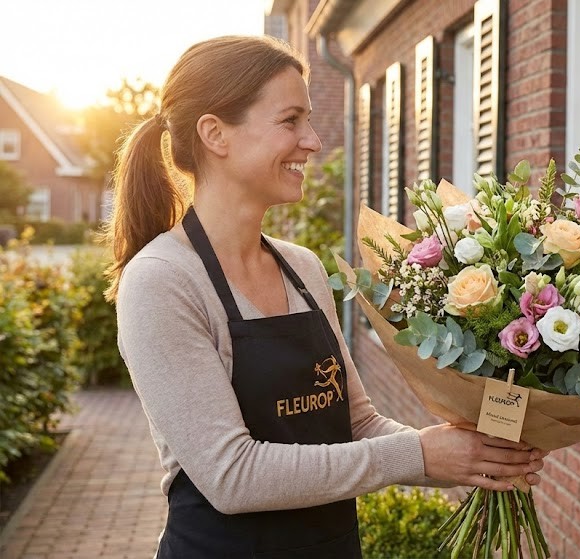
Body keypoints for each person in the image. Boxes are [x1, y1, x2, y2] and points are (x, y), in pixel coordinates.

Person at [106, 35, 545, 558]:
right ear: (215, 133)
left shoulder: (301, 268)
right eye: (290, 121)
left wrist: (471, 455)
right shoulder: (163, 281)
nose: (313, 141)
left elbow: (356, 425)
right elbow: (232, 476)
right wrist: (419, 455)